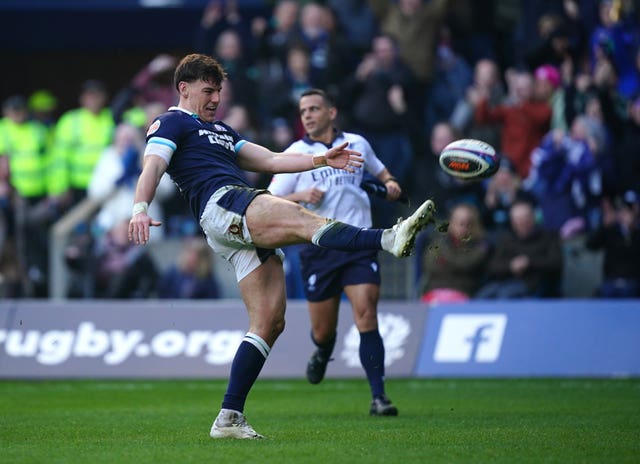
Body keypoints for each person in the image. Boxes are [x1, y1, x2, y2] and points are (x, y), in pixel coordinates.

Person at [128, 53, 437, 440]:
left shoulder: (221, 129)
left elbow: (272, 159)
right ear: (183, 88)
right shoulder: (172, 122)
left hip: (235, 219)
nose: (214, 100)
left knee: (270, 322)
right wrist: (140, 207)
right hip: (224, 203)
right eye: (207, 91)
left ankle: (229, 417)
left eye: (218, 92)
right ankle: (388, 238)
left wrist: (321, 158)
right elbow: (153, 166)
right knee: (304, 220)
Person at [268, 88, 402, 417]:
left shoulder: (358, 144)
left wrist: (391, 184)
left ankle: (379, 397)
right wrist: (300, 195)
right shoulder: (296, 153)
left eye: (314, 108)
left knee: (366, 314)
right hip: (319, 248)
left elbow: (382, 174)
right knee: (322, 331)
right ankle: (323, 350)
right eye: (303, 111)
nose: (308, 115)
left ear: (332, 112)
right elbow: (268, 200)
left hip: (359, 244)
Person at [476, 198, 563, 299]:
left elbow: (555, 262)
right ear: (512, 221)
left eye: (525, 217)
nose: (522, 222)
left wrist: (528, 262)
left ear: (533, 217)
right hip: (503, 282)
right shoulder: (505, 239)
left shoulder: (548, 237)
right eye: (517, 218)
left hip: (534, 285)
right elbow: (494, 266)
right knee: (482, 296)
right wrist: (511, 265)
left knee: (506, 295)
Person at [420, 202, 490, 303]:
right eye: (458, 222)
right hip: (435, 291)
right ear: (451, 222)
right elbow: (430, 266)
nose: (463, 227)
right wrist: (457, 265)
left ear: (473, 224)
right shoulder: (438, 242)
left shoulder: (480, 245)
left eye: (467, 223)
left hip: (463, 292)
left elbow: (467, 264)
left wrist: (445, 259)